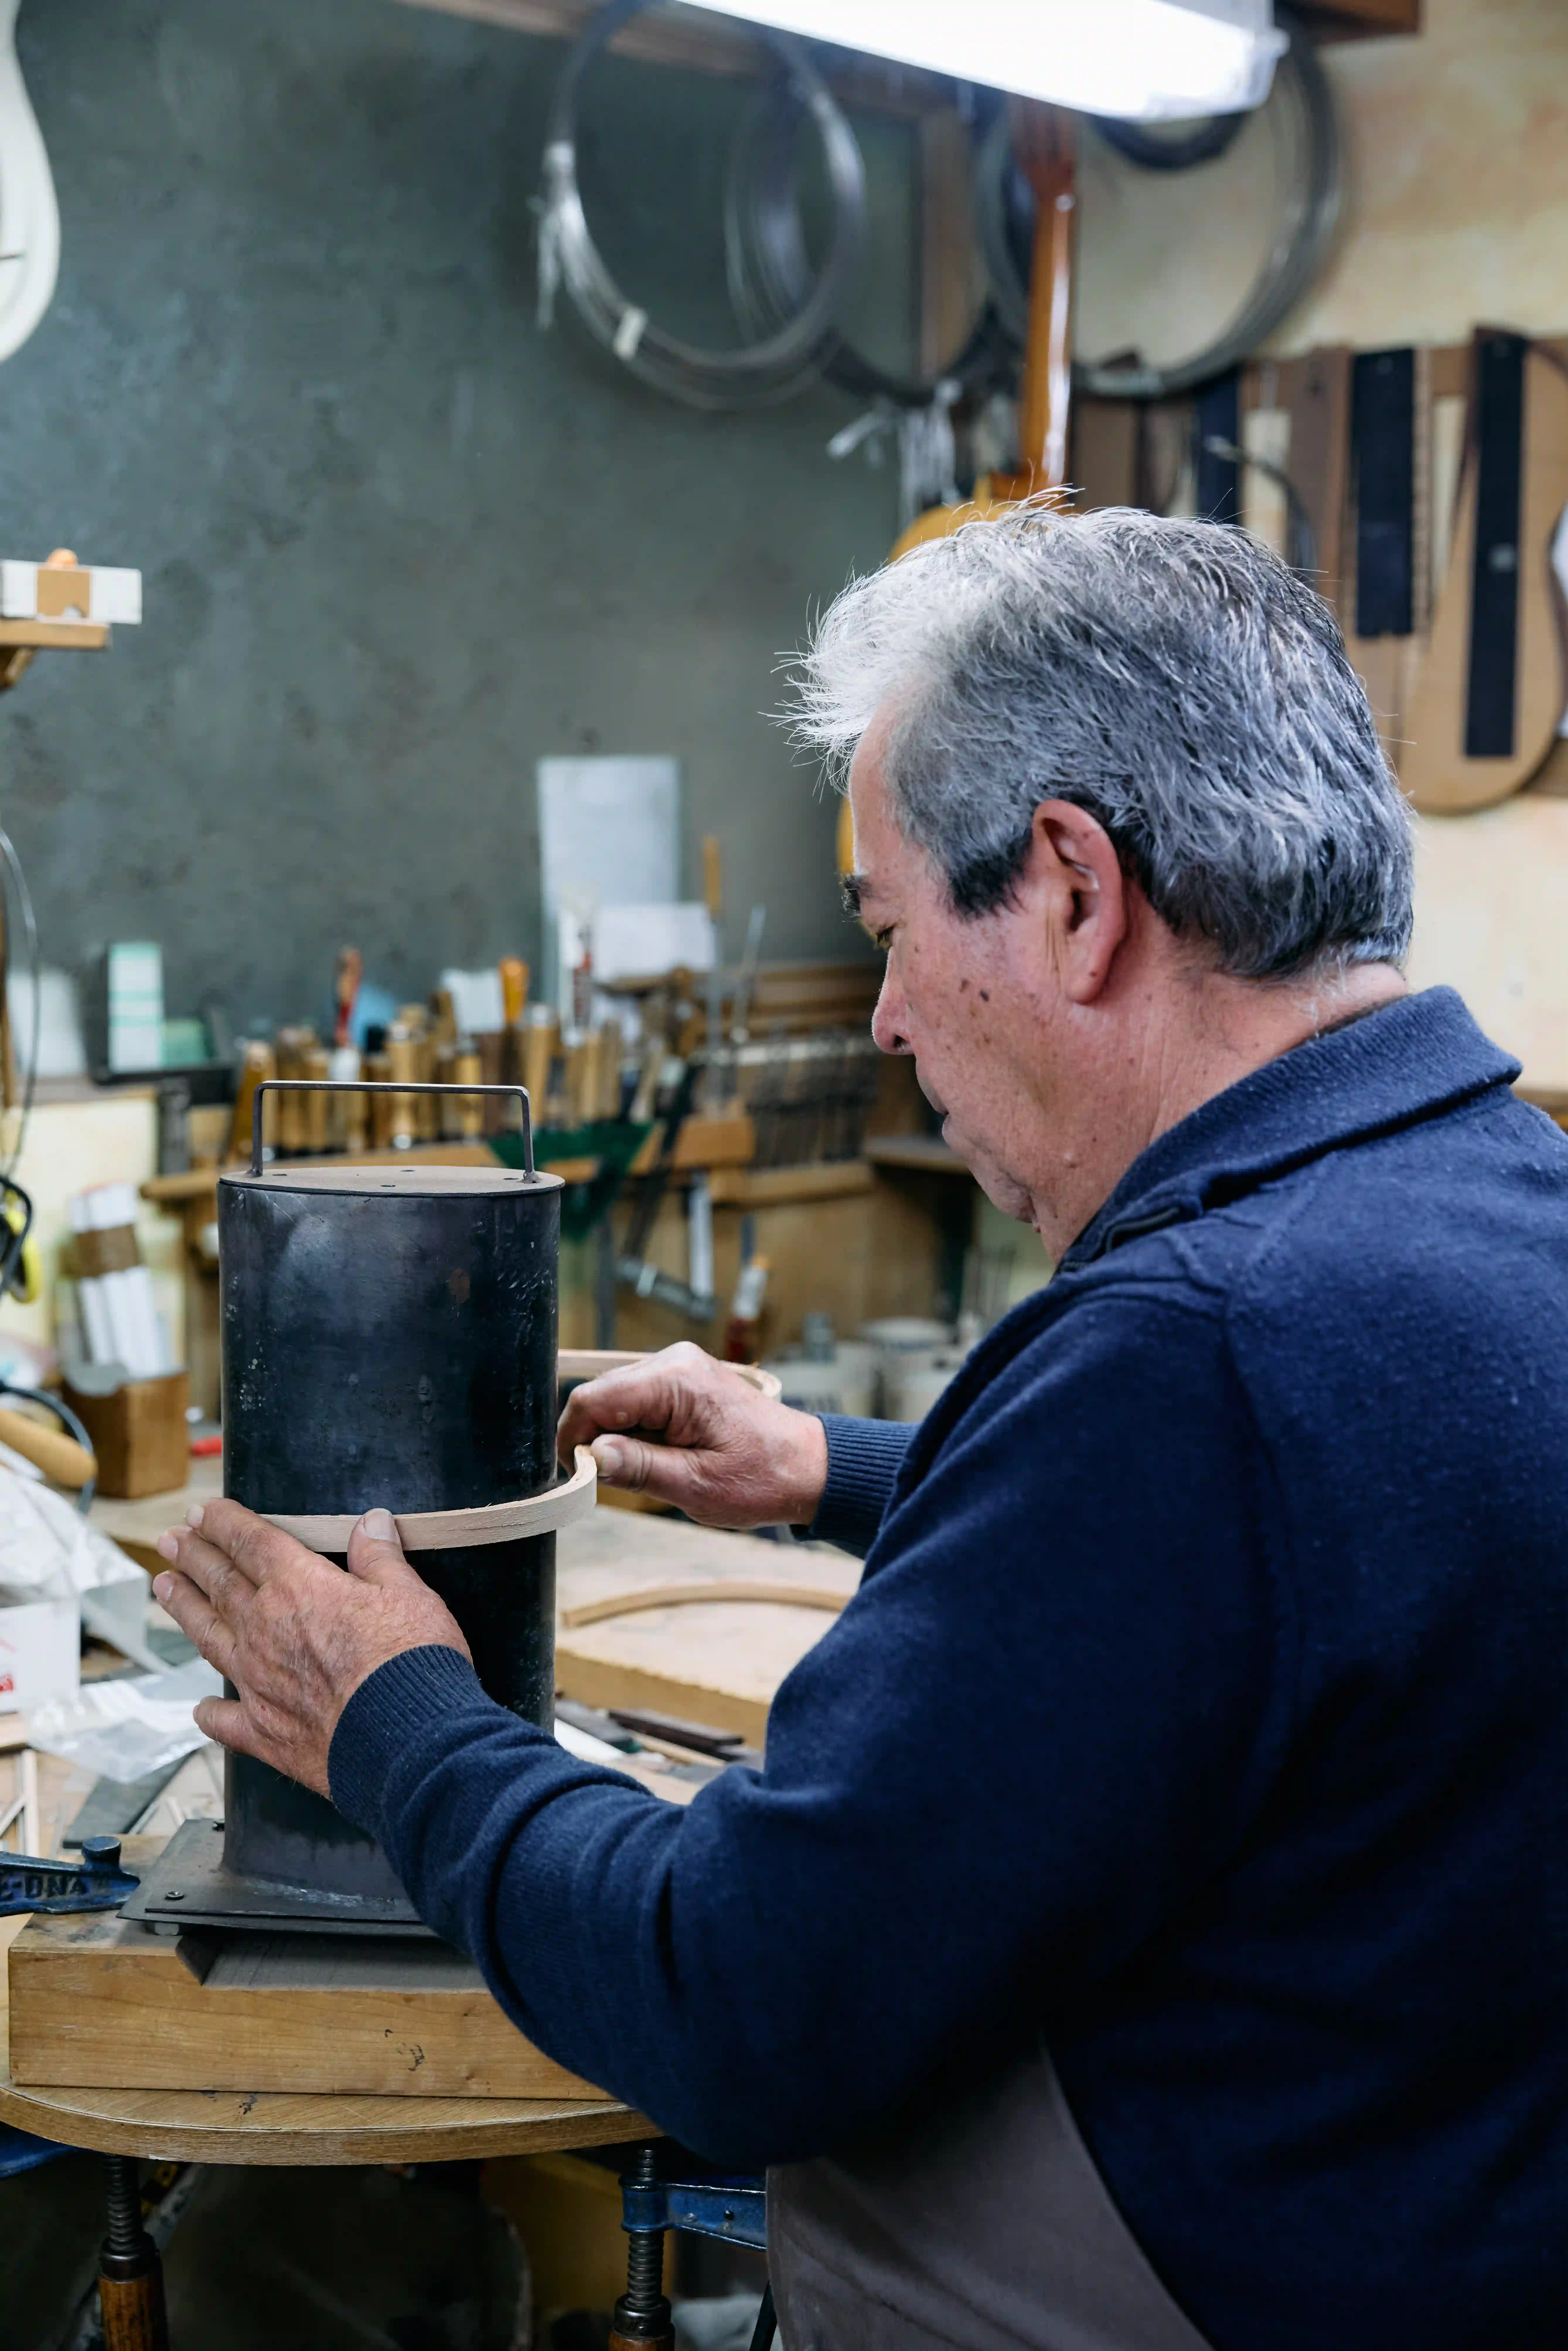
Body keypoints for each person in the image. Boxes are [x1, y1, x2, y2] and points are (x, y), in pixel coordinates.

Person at [153, 506, 1568, 2351]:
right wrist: (834, 1466)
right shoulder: (1487, 1186)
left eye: (892, 929)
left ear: (1070, 887)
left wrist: (394, 1717)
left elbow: (734, 1999)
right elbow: (1286, 1564)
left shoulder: (1183, 1352)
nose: (889, 1016)